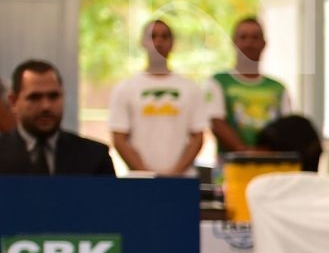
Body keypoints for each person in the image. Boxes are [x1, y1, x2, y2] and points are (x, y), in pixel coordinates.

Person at [108, 19, 207, 175]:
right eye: (153, 36)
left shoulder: (190, 88)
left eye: (164, 36)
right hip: (140, 181)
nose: (159, 41)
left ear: (172, 43)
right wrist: (147, 175)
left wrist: (175, 173)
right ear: (142, 42)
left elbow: (198, 137)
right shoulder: (125, 88)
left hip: (182, 180)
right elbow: (119, 138)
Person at [1, 61, 114, 176]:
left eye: (53, 96)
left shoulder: (95, 157)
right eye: (34, 97)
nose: (46, 106)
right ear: (13, 102)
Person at [205, 16, 289, 154]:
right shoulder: (218, 82)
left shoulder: (278, 88)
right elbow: (217, 123)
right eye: (243, 37)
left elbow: (287, 129)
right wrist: (245, 152)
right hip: (231, 169)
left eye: (255, 37)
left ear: (264, 43)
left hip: (272, 167)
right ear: (233, 42)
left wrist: (265, 153)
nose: (249, 43)